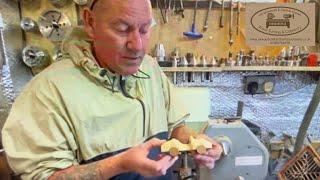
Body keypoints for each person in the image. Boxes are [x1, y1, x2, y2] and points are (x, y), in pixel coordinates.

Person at [2, 0, 223, 179]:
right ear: (90, 22)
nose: (137, 45)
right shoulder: (48, 91)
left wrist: (195, 141)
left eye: (145, 29)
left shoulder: (150, 68)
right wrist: (118, 165)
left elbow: (176, 127)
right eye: (122, 29)